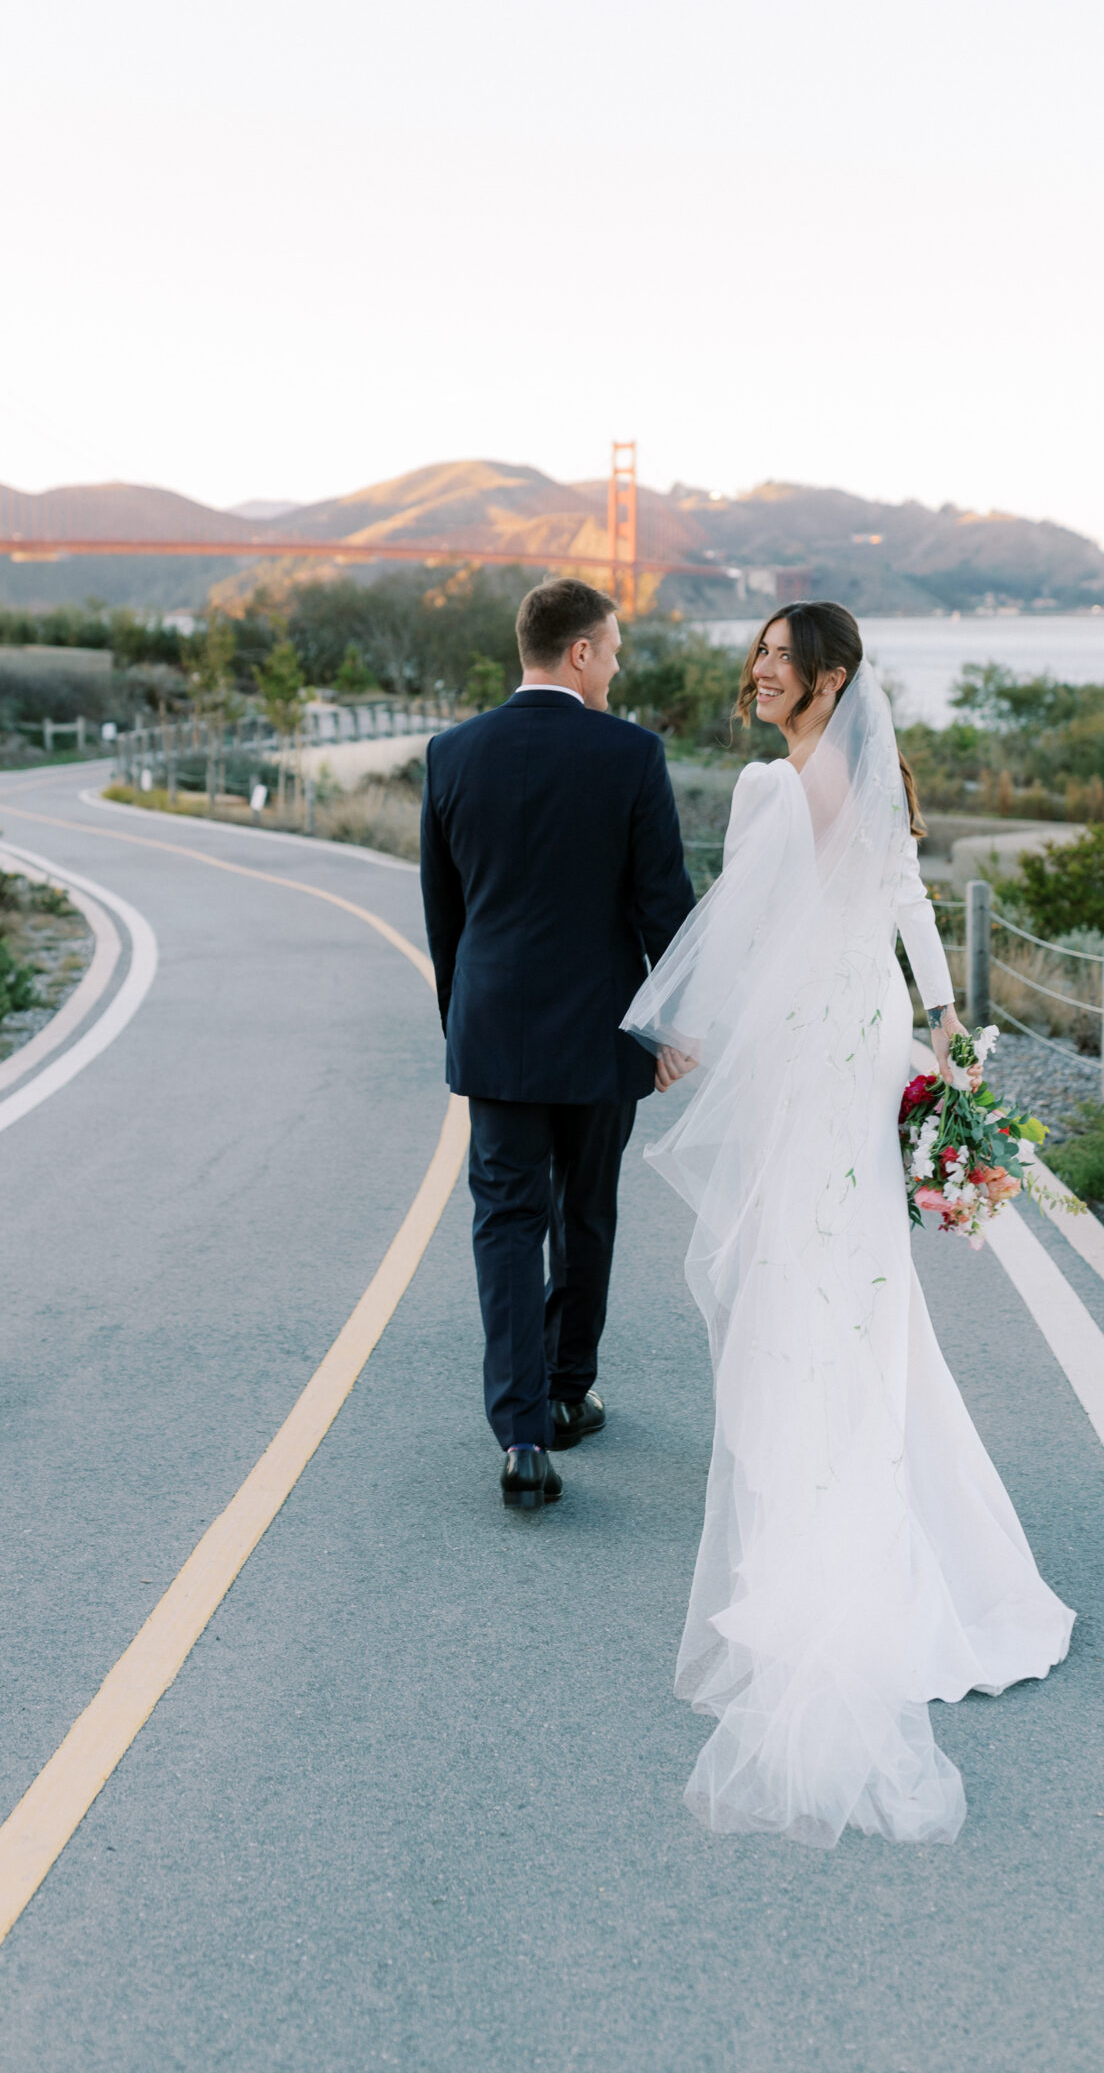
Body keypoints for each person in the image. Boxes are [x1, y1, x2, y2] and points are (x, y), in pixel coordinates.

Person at [626, 602, 1073, 1844]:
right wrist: (931, 1015)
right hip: (847, 1039)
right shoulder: (830, 783)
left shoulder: (779, 794)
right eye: (757, 654)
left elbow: (785, 925)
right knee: (830, 1280)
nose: (758, 671)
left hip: (832, 1053)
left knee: (822, 1278)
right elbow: (894, 910)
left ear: (828, 678)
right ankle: (881, 1508)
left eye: (780, 658)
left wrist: (935, 1025)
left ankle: (834, 1520)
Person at [420, 577, 694, 1510]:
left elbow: (444, 917)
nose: (615, 667)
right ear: (579, 652)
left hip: (494, 1030)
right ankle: (570, 1390)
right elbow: (667, 912)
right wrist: (669, 1029)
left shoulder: (451, 753)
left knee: (504, 1224)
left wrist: (464, 1020)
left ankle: (523, 1437)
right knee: (586, 1214)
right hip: (601, 1033)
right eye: (611, 651)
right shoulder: (631, 755)